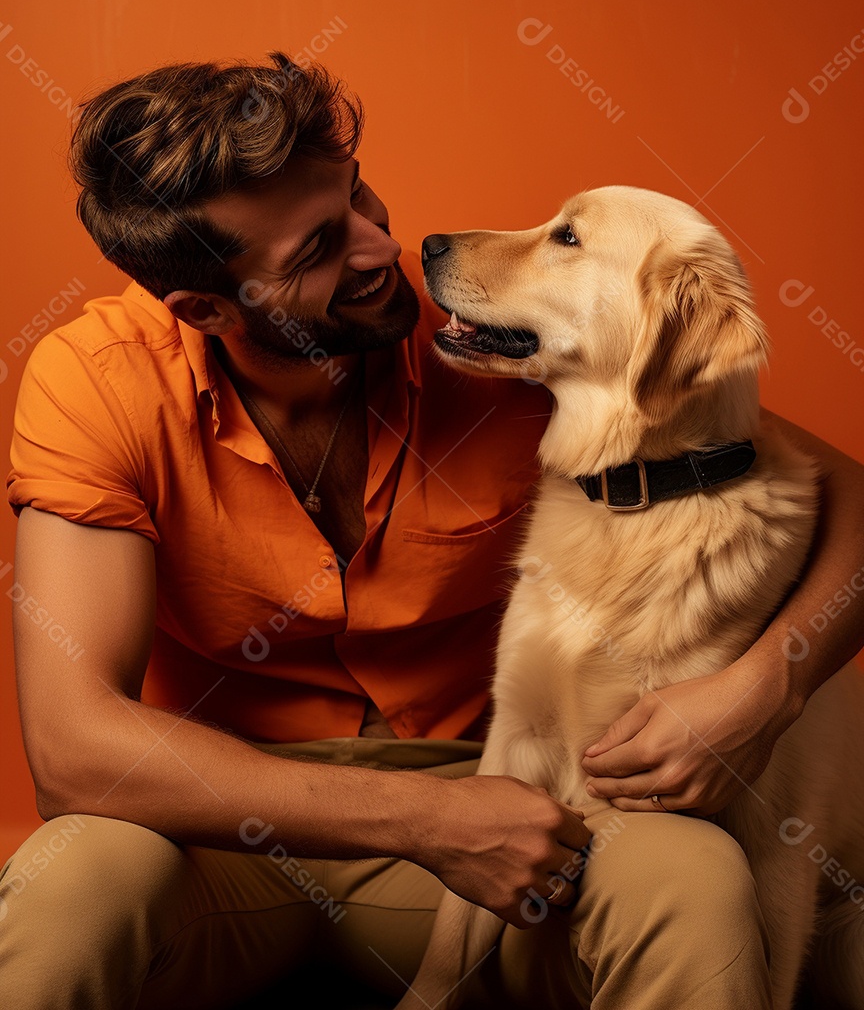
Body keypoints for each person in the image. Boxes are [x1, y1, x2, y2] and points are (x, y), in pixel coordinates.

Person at [1, 51, 862, 1010]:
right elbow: (75, 750)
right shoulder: (99, 381)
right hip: (223, 822)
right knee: (70, 883)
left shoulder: (500, 324)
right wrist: (424, 817)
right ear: (204, 308)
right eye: (319, 250)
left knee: (689, 877)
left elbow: (840, 493)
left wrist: (768, 685)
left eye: (361, 200)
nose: (379, 251)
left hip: (508, 816)